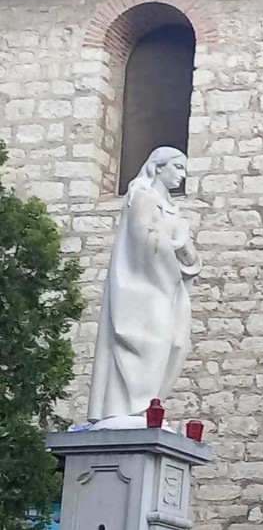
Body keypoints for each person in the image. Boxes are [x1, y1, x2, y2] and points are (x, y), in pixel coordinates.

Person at [88, 147, 201, 423]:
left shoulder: (173, 211)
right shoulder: (143, 198)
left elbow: (191, 258)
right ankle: (130, 408)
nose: (182, 175)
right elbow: (144, 242)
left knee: (176, 344)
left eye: (184, 170)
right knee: (152, 341)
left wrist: (184, 248)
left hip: (171, 290)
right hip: (145, 288)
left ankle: (149, 404)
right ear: (158, 167)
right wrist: (176, 244)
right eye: (177, 167)